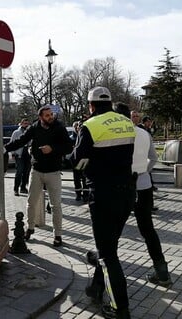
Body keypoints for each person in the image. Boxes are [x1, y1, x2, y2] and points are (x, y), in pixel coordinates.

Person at [73, 87, 135, 319]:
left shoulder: (91, 125)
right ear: (109, 102)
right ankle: (97, 287)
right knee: (109, 245)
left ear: (91, 105)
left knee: (108, 254)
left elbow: (78, 162)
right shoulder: (126, 122)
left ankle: (121, 308)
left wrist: (82, 163)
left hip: (103, 194)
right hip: (127, 192)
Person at [115, 103, 172, 287]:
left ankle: (103, 275)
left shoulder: (117, 133)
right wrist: (143, 171)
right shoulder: (144, 133)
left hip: (122, 185)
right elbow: (153, 157)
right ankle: (161, 270)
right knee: (147, 228)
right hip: (143, 183)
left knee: (112, 230)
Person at [5, 105, 73, 247]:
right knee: (31, 202)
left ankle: (58, 235)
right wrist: (5, 148)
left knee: (56, 205)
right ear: (40, 117)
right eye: (47, 115)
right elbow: (22, 140)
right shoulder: (35, 127)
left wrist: (52, 149)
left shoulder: (59, 127)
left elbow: (68, 147)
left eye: (51, 114)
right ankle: (29, 228)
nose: (50, 117)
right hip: (36, 170)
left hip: (53, 171)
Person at [11, 118, 31, 196]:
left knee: (26, 172)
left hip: (27, 154)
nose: (26, 125)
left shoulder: (29, 132)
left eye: (27, 123)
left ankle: (23, 187)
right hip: (19, 154)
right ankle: (16, 189)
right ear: (21, 124)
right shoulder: (16, 132)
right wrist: (13, 153)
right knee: (19, 171)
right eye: (25, 123)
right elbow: (12, 142)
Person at [71, 121, 87, 202]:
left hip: (84, 160)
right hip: (75, 160)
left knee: (84, 179)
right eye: (76, 126)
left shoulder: (85, 135)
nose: (78, 128)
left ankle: (85, 195)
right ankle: (78, 194)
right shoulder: (72, 137)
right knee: (76, 179)